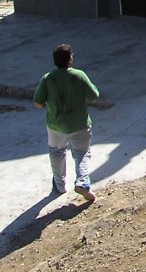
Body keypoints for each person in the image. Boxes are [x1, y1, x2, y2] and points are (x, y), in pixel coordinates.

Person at [33, 43, 100, 202]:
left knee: (56, 152)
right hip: (79, 124)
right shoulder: (79, 75)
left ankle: (59, 185)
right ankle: (82, 182)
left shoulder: (48, 78)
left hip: (55, 125)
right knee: (81, 154)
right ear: (70, 59)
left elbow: (37, 103)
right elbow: (94, 95)